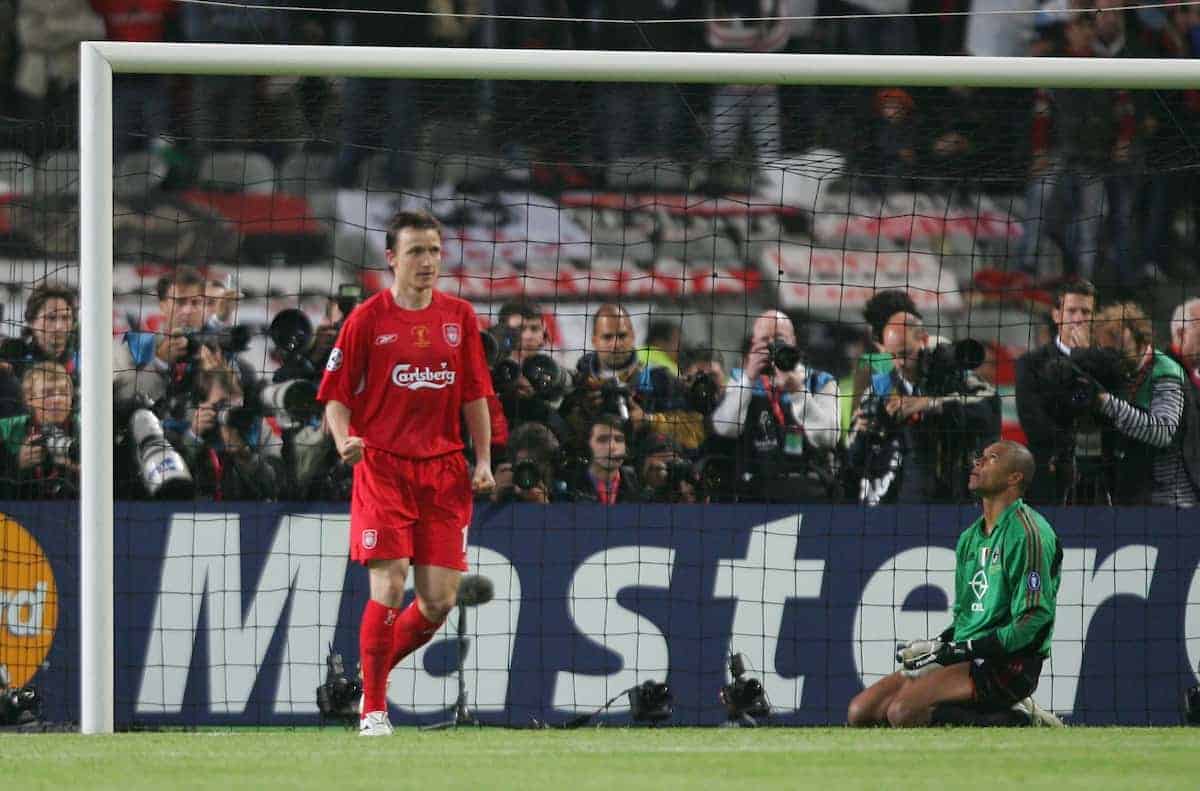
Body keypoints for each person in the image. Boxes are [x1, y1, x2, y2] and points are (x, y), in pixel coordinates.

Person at [316, 210, 495, 737]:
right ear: (392, 258)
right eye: (417, 251)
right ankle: (374, 710)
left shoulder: (459, 317)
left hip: (444, 471)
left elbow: (475, 396)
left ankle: (363, 682)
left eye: (435, 250)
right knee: (388, 582)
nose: (428, 261)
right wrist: (345, 438)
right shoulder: (367, 319)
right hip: (383, 467)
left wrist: (483, 461)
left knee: (438, 600)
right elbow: (334, 397)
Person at [846, 440, 1063, 728]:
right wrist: (937, 645)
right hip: (969, 655)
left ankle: (1020, 719)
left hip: (1010, 663)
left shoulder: (1029, 534)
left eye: (991, 458)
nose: (978, 463)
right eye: (979, 457)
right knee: (859, 711)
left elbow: (1033, 619)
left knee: (902, 713)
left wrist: (965, 649)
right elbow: (965, 617)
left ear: (1015, 477)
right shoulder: (969, 538)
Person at [710, 309, 841, 503]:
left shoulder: (820, 381)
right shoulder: (739, 381)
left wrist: (797, 391)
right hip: (754, 495)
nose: (772, 346)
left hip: (811, 494)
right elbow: (725, 428)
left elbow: (828, 438)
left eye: (779, 338)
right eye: (765, 340)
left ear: (793, 341)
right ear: (754, 344)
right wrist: (748, 379)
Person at [1090, 301, 1200, 507]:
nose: (1115, 354)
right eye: (1107, 348)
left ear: (1141, 339)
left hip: (1172, 502)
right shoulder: (1121, 372)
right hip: (1134, 497)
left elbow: (1163, 432)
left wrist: (1103, 401)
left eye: (1121, 345)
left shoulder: (1166, 371)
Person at [1015, 280, 1098, 505]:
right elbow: (1032, 422)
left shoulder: (1105, 362)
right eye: (1072, 311)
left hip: (1099, 476)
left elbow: (1103, 414)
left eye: (1086, 311)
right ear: (1056, 315)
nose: (1079, 318)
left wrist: (1085, 360)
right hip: (1047, 473)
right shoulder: (1031, 364)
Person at [0, 282, 78, 417]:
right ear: (31, 321)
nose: (59, 326)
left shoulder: (83, 360)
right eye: (51, 318)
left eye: (66, 318)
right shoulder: (12, 352)